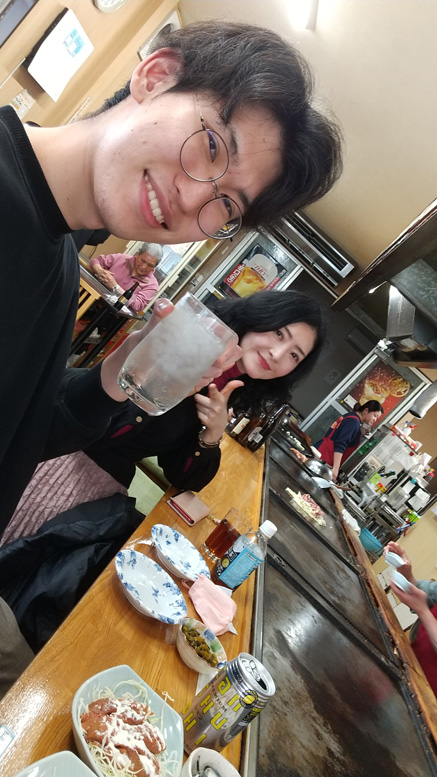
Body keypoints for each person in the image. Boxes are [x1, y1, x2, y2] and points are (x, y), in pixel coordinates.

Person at [0, 20, 342, 694]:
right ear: (154, 76)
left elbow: (27, 431)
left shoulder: (59, 258)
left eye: (224, 203)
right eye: (211, 146)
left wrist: (118, 373)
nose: (192, 197)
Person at [3, 289, 325, 546]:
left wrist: (212, 435)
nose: (277, 354)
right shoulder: (193, 340)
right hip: (57, 452)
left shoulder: (233, 394)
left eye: (294, 355)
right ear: (260, 316)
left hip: (97, 492)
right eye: (279, 333)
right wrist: (163, 387)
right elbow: (98, 416)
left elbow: (183, 478)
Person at [387, 541, 437, 698]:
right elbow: (429, 596)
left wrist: (423, 611)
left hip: (427, 698)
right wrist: (406, 575)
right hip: (409, 664)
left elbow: (424, 606)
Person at [315, 400, 383, 480]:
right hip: (325, 458)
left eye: (377, 418)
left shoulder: (351, 417)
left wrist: (358, 431)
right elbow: (340, 444)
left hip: (320, 451)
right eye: (375, 415)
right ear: (366, 411)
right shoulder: (354, 423)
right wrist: (336, 468)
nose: (375, 419)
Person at [89, 243, 162, 312]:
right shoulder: (122, 258)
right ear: (137, 254)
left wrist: (115, 287)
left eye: (150, 265)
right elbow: (96, 261)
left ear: (154, 267)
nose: (143, 267)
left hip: (114, 314)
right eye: (142, 261)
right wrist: (100, 271)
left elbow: (138, 305)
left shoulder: (152, 285)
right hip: (93, 298)